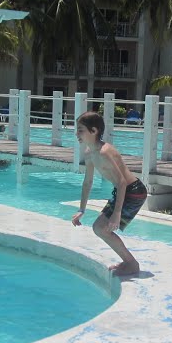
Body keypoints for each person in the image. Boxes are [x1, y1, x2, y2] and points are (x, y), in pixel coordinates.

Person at [71, 111, 148, 276]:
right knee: (100, 228)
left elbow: (121, 182)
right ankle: (129, 262)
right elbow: (88, 182)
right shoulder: (89, 153)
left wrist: (116, 214)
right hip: (121, 191)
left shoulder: (105, 152)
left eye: (80, 130)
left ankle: (131, 264)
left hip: (133, 191)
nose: (76, 133)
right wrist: (81, 209)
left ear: (94, 131)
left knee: (100, 228)